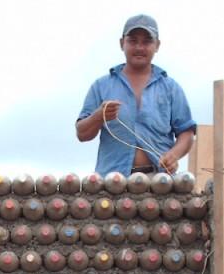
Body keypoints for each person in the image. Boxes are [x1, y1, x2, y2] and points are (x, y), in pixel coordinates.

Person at [76, 14, 196, 176]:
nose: (139, 47)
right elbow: (82, 134)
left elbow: (186, 133)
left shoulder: (171, 88)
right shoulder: (101, 86)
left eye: (147, 41)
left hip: (160, 183)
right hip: (112, 183)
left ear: (157, 45)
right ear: (121, 43)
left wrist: (173, 155)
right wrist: (98, 116)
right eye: (133, 41)